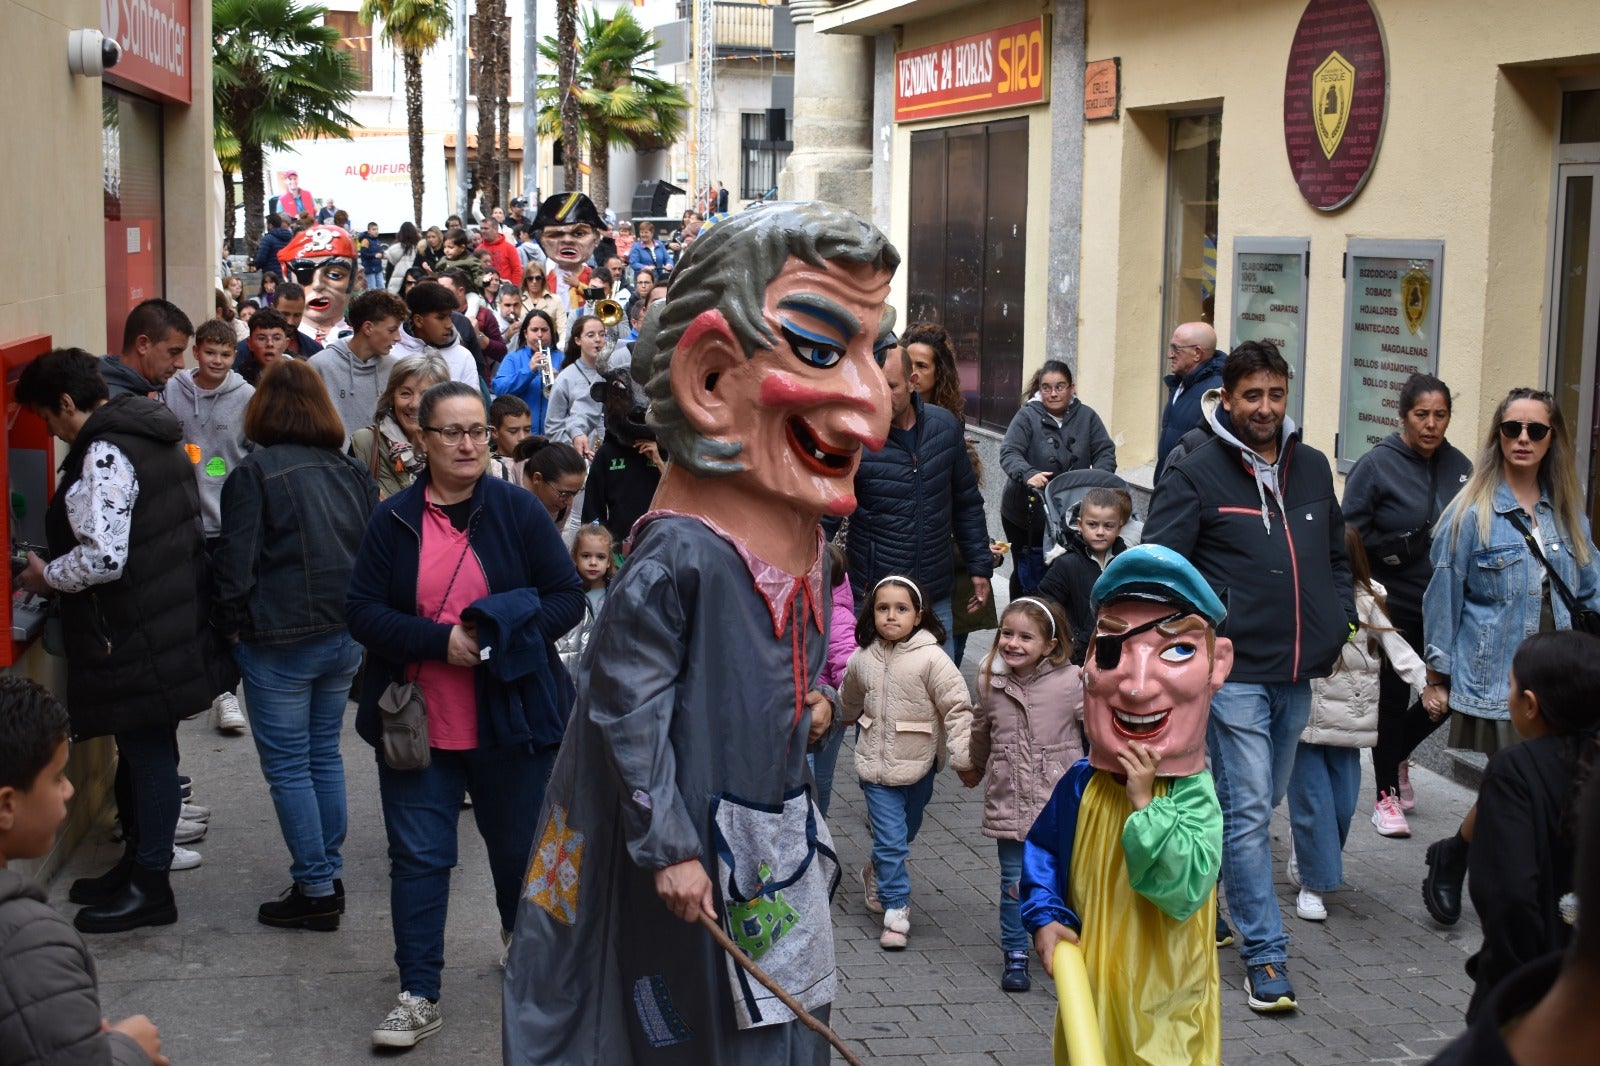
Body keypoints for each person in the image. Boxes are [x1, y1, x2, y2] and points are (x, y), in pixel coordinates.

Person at [503, 201, 898, 1061]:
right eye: (824, 351)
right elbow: (624, 715)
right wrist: (670, 847)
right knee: (698, 1023)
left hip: (772, 838)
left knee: (782, 1009)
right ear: (710, 380)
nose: (874, 406)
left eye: (877, 354)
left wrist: (822, 695)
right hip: (693, 852)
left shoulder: (805, 539)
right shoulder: (677, 554)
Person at [348, 381, 584, 1049]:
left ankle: (524, 946)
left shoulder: (517, 511)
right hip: (417, 724)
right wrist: (438, 642)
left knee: (520, 854)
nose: (467, 443)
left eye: (478, 430)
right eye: (451, 431)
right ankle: (418, 992)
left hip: (514, 722)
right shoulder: (393, 520)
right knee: (418, 859)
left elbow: (567, 598)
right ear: (421, 439)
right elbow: (362, 611)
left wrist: (502, 630)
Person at [1142, 340, 1356, 1012]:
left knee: (1255, 808)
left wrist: (1339, 619)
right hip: (1232, 672)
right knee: (1246, 812)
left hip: (1298, 670)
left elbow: (1337, 558)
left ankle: (1205, 905)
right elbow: (1161, 567)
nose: (1265, 408)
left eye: (1276, 394)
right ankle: (1266, 955)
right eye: (1252, 395)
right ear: (1226, 398)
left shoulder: (1314, 468)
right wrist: (1196, 644)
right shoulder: (1197, 470)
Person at [15, 350, 230, 934]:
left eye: (48, 418)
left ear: (66, 403)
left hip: (135, 626)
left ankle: (151, 887)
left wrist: (44, 576)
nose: (53, 432)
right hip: (160, 618)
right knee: (146, 749)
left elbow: (105, 557)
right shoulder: (149, 428)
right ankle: (136, 867)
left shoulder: (106, 450)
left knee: (149, 755)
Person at [1022, 545, 1229, 1065]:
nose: (1137, 689)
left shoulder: (1191, 794)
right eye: (1113, 649)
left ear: (1216, 665)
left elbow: (1184, 889)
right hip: (1089, 990)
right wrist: (1045, 916)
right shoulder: (1080, 785)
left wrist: (1146, 807)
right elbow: (1043, 854)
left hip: (1165, 999)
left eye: (1177, 651)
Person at [1421, 387, 1600, 927]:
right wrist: (1437, 677)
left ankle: (1456, 854)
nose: (1523, 439)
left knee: (1547, 777)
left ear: (1552, 439)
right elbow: (1444, 600)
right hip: (1501, 671)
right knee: (1522, 778)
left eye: (1536, 430)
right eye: (1512, 429)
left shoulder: (1568, 511)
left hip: (1563, 672)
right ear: (1498, 436)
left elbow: (1590, 588)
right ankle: (1527, 884)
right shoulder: (1469, 513)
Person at [211, 360, 377, 932]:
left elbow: (236, 564)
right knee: (322, 756)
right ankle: (323, 875)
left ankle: (316, 885)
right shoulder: (352, 471)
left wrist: (230, 626)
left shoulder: (255, 474)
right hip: (342, 634)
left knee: (289, 766)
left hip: (279, 638)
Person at [0, 677, 170, 1066]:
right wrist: (129, 1050)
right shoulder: (26, 943)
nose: (69, 790)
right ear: (6, 805)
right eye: (57, 777)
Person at [1342, 374, 1473, 837]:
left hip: (1445, 604)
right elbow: (1348, 534)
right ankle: (1385, 798)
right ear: (1403, 416)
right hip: (1391, 603)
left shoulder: (1461, 466)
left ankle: (1396, 754)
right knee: (1394, 700)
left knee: (1454, 692)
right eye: (1422, 415)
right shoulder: (1377, 465)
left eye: (1440, 416)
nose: (1432, 425)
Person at [1287, 526, 1432, 924]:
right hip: (1306, 724)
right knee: (1314, 805)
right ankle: (1316, 885)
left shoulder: (1369, 601)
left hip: (1352, 726)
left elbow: (1398, 650)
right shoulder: (1297, 595)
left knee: (1342, 808)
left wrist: (1426, 685)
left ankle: (1309, 856)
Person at [1461, 631, 1600, 1018]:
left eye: (1510, 687)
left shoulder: (1513, 771)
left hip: (1534, 991)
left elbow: (1509, 895)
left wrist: (1516, 988)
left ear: (1530, 704)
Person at [841, 575, 974, 950]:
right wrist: (838, 717)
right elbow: (848, 697)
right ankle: (896, 910)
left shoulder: (932, 658)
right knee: (891, 840)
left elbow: (957, 707)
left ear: (918, 616)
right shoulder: (862, 657)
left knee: (905, 833)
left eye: (901, 609)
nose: (891, 616)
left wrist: (964, 757)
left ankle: (877, 869)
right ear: (871, 613)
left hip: (918, 766)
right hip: (875, 767)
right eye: (882, 608)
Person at [839, 343, 994, 660]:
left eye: (891, 386)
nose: (881, 395)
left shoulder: (945, 427)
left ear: (912, 381)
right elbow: (827, 514)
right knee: (874, 698)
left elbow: (966, 502)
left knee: (939, 697)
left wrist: (980, 566)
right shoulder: (855, 438)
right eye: (875, 386)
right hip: (875, 598)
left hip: (933, 596)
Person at [961, 595, 1083, 992]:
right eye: (1006, 634)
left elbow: (1098, 727)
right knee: (1014, 883)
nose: (1013, 643)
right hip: (1010, 801)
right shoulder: (991, 682)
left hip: (1060, 805)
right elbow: (982, 729)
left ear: (1049, 644)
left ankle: (1070, 942)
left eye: (1025, 637)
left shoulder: (1072, 682)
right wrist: (974, 765)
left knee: (1072, 880)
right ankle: (1016, 952)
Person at [164, 318, 254, 733]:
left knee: (224, 612)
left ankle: (225, 694)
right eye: (210, 352)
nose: (217, 360)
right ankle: (204, 688)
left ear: (234, 356)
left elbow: (254, 455)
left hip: (228, 524)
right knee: (190, 610)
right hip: (181, 521)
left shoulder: (247, 396)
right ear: (196, 352)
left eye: (226, 354)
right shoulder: (173, 391)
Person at [998, 359, 1116, 593]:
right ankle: (1022, 612)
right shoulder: (1027, 416)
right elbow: (1009, 451)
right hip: (1026, 513)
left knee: (1063, 569)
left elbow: (1105, 451)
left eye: (1059, 387)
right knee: (1027, 569)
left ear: (1072, 388)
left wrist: (1096, 481)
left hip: (1071, 510)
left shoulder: (1087, 416)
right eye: (1046, 387)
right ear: (1039, 389)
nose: (1052, 393)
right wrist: (1028, 474)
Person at [1038, 486, 1134, 664]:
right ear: (1080, 524)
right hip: (1076, 657)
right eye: (1092, 524)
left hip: (1118, 653)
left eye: (1108, 526)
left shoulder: (1126, 564)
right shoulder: (1066, 564)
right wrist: (1069, 641)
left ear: (1119, 528)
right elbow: (1047, 604)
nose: (1100, 532)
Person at [309, 289, 408, 440]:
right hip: (332, 461)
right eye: (392, 330)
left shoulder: (395, 368)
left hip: (380, 460)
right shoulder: (319, 366)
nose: (398, 338)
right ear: (368, 328)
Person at [350, 352, 451, 499]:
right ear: (391, 398)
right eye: (405, 393)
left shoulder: (459, 445)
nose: (415, 404)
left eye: (426, 395)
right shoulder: (365, 443)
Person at [579, 367, 662, 542]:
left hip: (658, 542)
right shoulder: (606, 455)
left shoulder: (668, 453)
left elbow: (683, 502)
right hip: (617, 548)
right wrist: (599, 547)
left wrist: (660, 462)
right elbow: (592, 511)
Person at [811, 544, 855, 819]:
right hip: (803, 705)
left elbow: (846, 667)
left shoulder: (837, 616)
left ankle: (816, 830)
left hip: (829, 711)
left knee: (820, 778)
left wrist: (844, 706)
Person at [1157, 322, 1226, 479]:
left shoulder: (1214, 394)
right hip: (1171, 485)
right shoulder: (1181, 384)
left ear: (1197, 353)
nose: (1170, 355)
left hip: (1190, 491)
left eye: (1176, 349)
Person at [277, 224, 358, 344]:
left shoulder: (359, 340)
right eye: (304, 273)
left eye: (334, 275)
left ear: (353, 279)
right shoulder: (276, 342)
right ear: (287, 279)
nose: (318, 285)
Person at [102, 298, 193, 399]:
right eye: (173, 352)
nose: (181, 364)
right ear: (143, 345)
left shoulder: (99, 384)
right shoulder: (121, 407)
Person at [544, 314, 607, 459]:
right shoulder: (565, 378)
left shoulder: (613, 371)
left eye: (602, 334)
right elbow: (553, 427)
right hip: (579, 458)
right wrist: (575, 451)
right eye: (590, 335)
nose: (598, 339)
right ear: (578, 340)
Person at [395, 281, 479, 388]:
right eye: (441, 317)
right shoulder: (392, 354)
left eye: (450, 316)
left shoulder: (463, 356)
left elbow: (472, 402)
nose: (449, 325)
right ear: (418, 321)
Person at [532, 193, 607, 312]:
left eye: (579, 234)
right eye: (556, 234)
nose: (567, 240)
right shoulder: (545, 279)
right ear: (542, 240)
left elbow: (601, 299)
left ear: (596, 238)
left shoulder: (592, 276)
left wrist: (579, 285)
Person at [555, 523, 615, 674]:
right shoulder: (569, 592)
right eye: (586, 556)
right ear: (575, 557)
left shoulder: (616, 592)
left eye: (600, 557)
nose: (593, 562)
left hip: (605, 663)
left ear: (608, 561)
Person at [492, 309, 561, 432]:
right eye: (534, 330)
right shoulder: (512, 358)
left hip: (554, 434)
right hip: (521, 434)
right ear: (525, 333)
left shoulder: (562, 358)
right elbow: (500, 390)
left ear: (551, 332)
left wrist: (560, 381)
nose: (539, 335)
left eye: (544, 330)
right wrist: (529, 371)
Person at [517, 435, 587, 528]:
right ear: (537, 478)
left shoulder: (562, 506)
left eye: (576, 492)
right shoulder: (501, 482)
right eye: (564, 493)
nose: (569, 502)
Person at [237, 308, 292, 387]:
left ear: (286, 343)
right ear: (250, 343)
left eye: (276, 338)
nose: (270, 344)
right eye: (262, 338)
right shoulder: (239, 381)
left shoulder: (301, 376)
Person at [488, 394, 533, 482]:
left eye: (527, 430)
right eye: (513, 431)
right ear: (494, 432)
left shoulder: (538, 461)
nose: (522, 438)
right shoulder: (489, 469)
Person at [520, 263, 567, 343]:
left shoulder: (555, 300)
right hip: (523, 348)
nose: (534, 282)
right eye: (530, 278)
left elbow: (563, 329)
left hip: (549, 347)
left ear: (543, 280)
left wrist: (560, 347)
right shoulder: (519, 301)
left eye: (538, 278)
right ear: (525, 280)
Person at [476, 215, 522, 289]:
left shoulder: (509, 248)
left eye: (486, 228)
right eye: (481, 228)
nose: (483, 231)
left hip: (506, 291)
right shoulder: (478, 250)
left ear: (495, 229)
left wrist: (514, 289)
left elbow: (517, 271)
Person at [385, 222, 424, 292]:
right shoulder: (418, 248)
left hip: (396, 285)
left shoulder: (394, 249)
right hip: (412, 282)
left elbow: (389, 271)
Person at [253, 213, 294, 278]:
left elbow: (261, 259)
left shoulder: (267, 239)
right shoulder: (289, 238)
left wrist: (256, 266)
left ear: (270, 225)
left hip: (272, 276)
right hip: (287, 273)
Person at [359, 223, 386, 292]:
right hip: (370, 269)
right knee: (372, 288)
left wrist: (382, 254)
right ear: (369, 231)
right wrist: (374, 255)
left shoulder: (377, 240)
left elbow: (379, 251)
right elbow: (363, 254)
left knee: (382, 287)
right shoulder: (365, 241)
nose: (376, 231)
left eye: (377, 229)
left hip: (378, 268)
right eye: (373, 229)